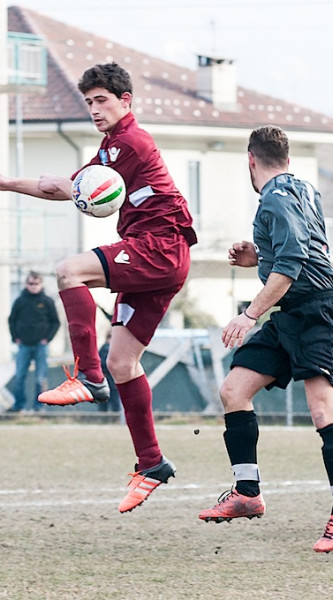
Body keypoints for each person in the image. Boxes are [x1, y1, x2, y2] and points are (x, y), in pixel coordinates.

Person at [0, 63, 197, 512]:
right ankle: (152, 464)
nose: (93, 109)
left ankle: (88, 378)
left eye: (101, 99)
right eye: (88, 101)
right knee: (123, 362)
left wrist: (10, 183)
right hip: (156, 253)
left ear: (126, 100)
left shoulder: (130, 141)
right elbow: (64, 187)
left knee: (69, 270)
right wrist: (9, 183)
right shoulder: (112, 146)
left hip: (158, 248)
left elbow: (63, 187)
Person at [197, 125, 333, 554]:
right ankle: (247, 492)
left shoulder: (273, 199)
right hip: (292, 313)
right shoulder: (304, 189)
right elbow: (300, 252)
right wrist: (260, 258)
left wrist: (249, 314)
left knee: (322, 409)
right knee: (234, 390)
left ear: (251, 160)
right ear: (286, 159)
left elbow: (291, 265)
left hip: (319, 313)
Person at [7, 271, 60, 412]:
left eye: (36, 283)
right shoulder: (20, 301)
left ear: (41, 284)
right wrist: (15, 337)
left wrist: (47, 339)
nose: (34, 286)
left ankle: (40, 407)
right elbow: (11, 320)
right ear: (26, 284)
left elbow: (55, 322)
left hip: (40, 345)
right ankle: (19, 406)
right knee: (19, 376)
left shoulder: (47, 301)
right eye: (31, 283)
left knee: (40, 378)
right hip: (23, 344)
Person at [97, 330, 122, 414]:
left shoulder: (106, 348)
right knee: (111, 401)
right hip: (109, 379)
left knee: (108, 401)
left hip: (109, 379)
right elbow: (104, 363)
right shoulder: (106, 348)